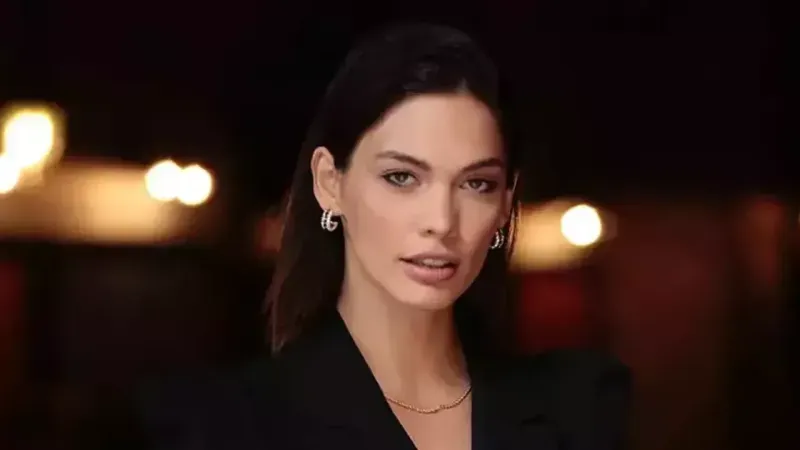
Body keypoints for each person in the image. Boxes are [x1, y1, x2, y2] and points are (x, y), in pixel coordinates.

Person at [135, 23, 631, 450]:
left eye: (476, 184)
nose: (441, 221)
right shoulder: (226, 425)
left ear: (505, 204)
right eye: (402, 177)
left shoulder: (579, 410)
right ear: (329, 183)